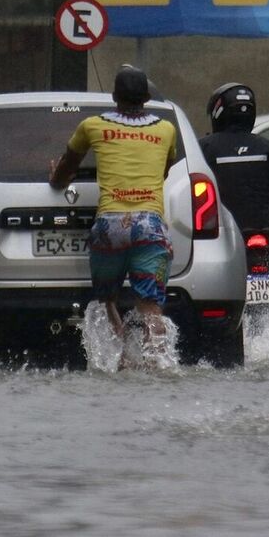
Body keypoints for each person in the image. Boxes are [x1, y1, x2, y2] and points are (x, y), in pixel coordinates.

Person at [49, 65, 178, 368]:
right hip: (150, 226)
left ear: (114, 96)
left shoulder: (92, 126)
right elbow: (163, 171)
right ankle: (158, 364)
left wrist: (56, 180)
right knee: (150, 307)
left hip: (109, 226)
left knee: (107, 299)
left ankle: (120, 361)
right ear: (147, 97)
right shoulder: (166, 129)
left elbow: (66, 168)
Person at [199, 83, 269, 233]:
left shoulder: (204, 148)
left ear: (218, 113)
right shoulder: (267, 147)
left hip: (223, 232)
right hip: (265, 228)